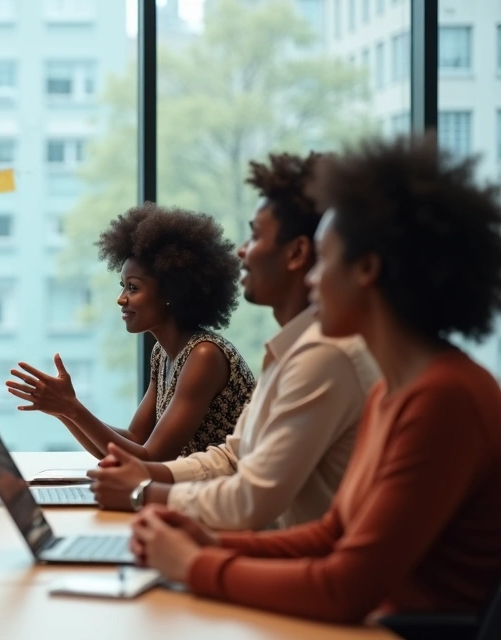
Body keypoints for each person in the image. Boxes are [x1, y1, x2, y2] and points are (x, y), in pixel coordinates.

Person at [131, 136, 501, 623]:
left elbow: (344, 587)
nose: (310, 280)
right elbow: (333, 532)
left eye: (324, 262)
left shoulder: (444, 398)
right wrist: (212, 541)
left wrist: (197, 564)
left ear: (367, 269)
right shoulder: (392, 390)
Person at [89, 153, 380, 531]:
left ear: (297, 254)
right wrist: (143, 476)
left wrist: (143, 490)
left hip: (283, 556)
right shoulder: (290, 349)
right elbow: (231, 458)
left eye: (256, 235)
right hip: (265, 545)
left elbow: (252, 499)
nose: (242, 250)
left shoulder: (322, 356)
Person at [7, 204, 254, 462]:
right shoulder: (163, 354)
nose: (121, 299)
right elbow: (133, 441)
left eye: (133, 288)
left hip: (226, 499)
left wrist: (72, 407)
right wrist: (64, 411)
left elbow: (150, 458)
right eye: (123, 286)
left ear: (172, 292)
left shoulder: (204, 355)